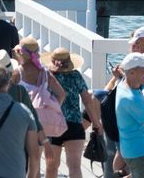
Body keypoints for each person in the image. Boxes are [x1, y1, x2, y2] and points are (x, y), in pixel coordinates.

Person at [43, 48, 101, 178]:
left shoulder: (47, 77)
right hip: (74, 124)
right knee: (74, 166)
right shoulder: (75, 75)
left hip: (52, 125)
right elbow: (88, 100)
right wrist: (96, 123)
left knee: (51, 166)